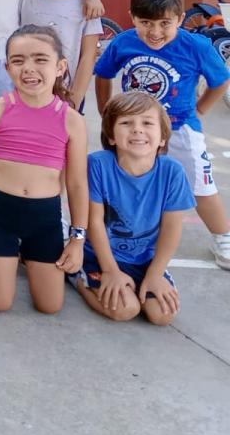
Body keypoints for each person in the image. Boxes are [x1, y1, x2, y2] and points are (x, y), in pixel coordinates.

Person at [94, 0, 230, 268]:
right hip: (131, 128)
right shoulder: (123, 42)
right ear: (132, 18)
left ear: (180, 19)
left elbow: (220, 80)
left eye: (164, 23)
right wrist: (106, 111)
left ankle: (223, 235)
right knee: (123, 180)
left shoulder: (196, 46)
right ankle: (113, 232)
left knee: (200, 185)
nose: (155, 32)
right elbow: (103, 73)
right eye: (146, 23)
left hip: (179, 128)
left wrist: (201, 108)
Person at [0, 26, 89, 314]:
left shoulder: (71, 121)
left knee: (50, 305)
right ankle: (0, 259)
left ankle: (34, 260)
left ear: (60, 67)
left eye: (40, 59)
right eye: (18, 60)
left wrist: (77, 240)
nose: (28, 68)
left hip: (44, 220)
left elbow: (78, 183)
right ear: (7, 68)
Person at [70, 92, 194, 325]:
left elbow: (171, 229)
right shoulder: (98, 164)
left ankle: (144, 280)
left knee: (162, 315)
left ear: (163, 138)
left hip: (143, 259)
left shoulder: (172, 172)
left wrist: (156, 274)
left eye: (147, 123)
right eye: (126, 123)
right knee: (125, 309)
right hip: (99, 255)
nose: (137, 129)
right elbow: (94, 222)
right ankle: (78, 278)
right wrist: (110, 271)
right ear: (111, 136)